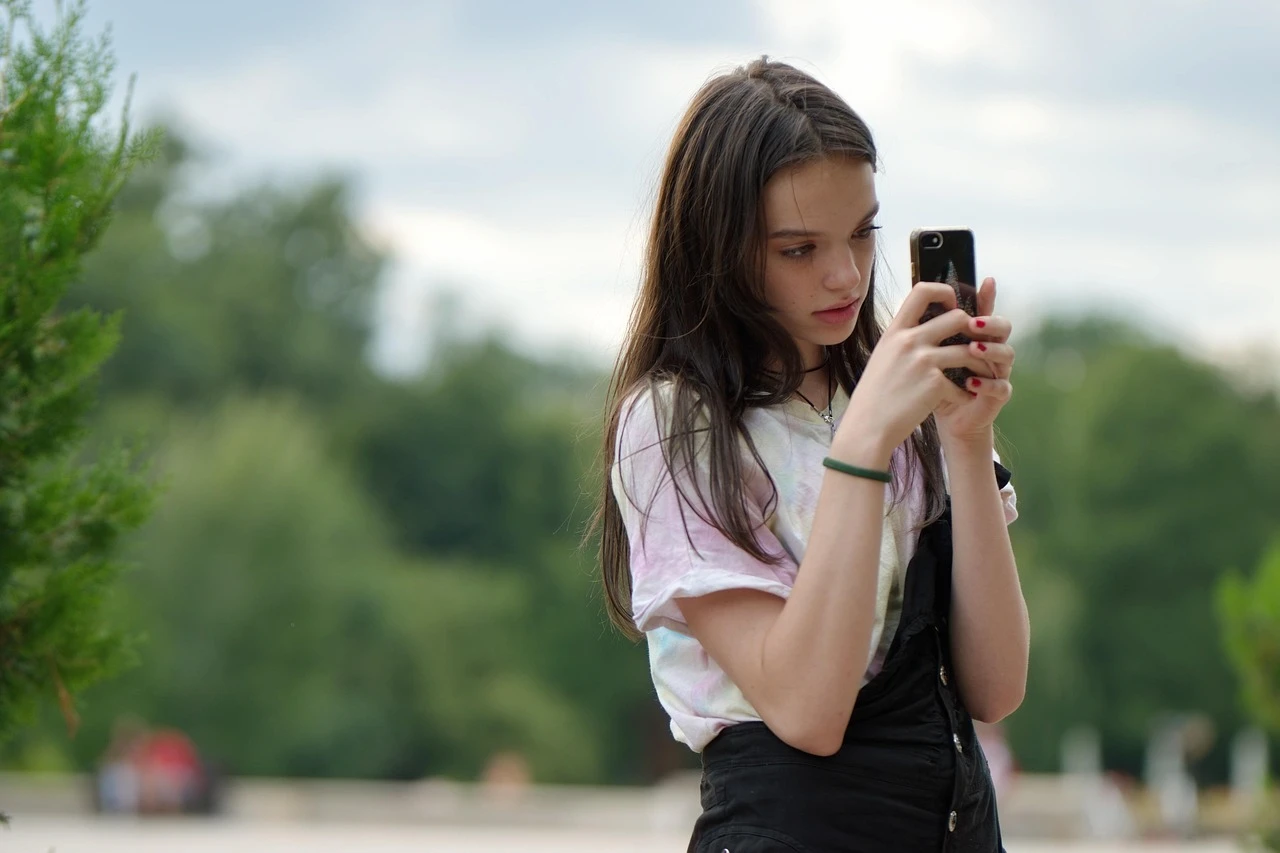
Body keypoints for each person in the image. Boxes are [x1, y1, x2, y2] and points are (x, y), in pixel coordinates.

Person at [593, 57, 1028, 852]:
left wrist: (967, 442)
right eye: (799, 249)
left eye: (863, 232)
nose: (846, 274)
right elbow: (807, 710)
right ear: (717, 247)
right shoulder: (676, 425)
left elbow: (995, 687)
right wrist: (862, 443)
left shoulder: (896, 394)